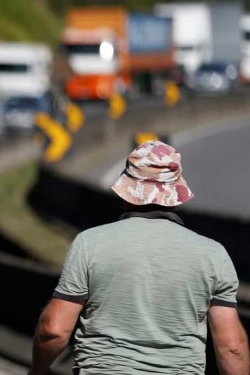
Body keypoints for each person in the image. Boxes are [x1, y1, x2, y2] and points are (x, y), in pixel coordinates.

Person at [29, 140, 249, 374]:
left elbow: (54, 329)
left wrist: (37, 370)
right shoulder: (213, 255)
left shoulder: (90, 243)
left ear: (126, 192)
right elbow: (232, 348)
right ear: (176, 194)